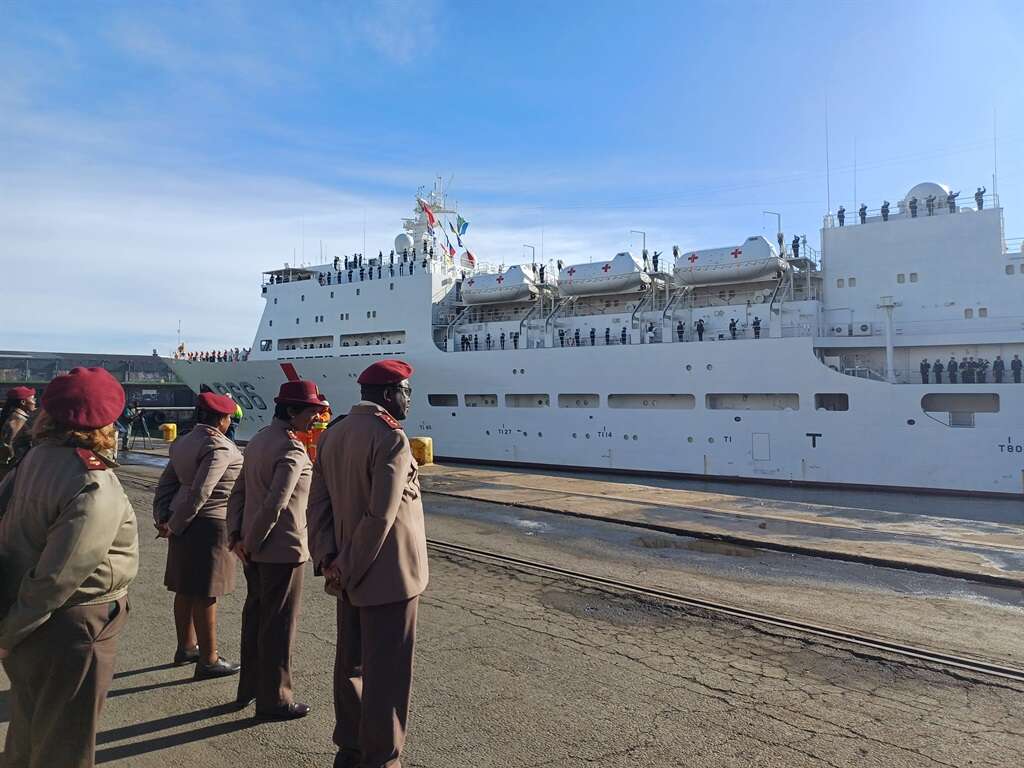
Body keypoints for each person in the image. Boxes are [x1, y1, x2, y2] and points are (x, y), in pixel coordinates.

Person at [0, 367, 138, 768]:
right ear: (108, 420)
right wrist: (10, 633)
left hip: (27, 616)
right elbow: (60, 576)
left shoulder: (35, 458)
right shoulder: (92, 481)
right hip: (71, 625)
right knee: (66, 743)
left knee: (30, 727)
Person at [308, 360, 428, 768]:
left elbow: (317, 506)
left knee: (351, 665)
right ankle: (382, 759)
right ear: (388, 394)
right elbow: (381, 516)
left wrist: (329, 560)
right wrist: (347, 567)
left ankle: (351, 747)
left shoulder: (333, 434)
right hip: (389, 577)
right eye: (405, 391)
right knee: (388, 675)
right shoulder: (391, 439)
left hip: (346, 573)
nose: (409, 398)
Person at [227, 379, 323, 720]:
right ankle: (276, 700)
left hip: (250, 550)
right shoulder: (291, 450)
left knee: (255, 618)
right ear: (294, 411)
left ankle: (248, 689)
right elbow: (275, 505)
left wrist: (236, 538)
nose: (315, 417)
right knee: (279, 627)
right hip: (282, 551)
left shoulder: (258, 441)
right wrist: (249, 543)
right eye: (312, 411)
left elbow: (238, 492)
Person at [153, 392, 242, 678]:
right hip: (209, 525)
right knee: (206, 593)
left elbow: (167, 482)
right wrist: (176, 524)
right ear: (222, 419)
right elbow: (201, 491)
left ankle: (186, 647)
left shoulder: (183, 441)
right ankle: (209, 658)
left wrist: (164, 517)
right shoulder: (219, 447)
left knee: (185, 588)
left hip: (182, 521)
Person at [1, 386, 36, 478]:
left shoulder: (14, 417)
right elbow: (8, 448)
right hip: (14, 471)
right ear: (23, 402)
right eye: (32, 398)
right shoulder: (17, 420)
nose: (34, 402)